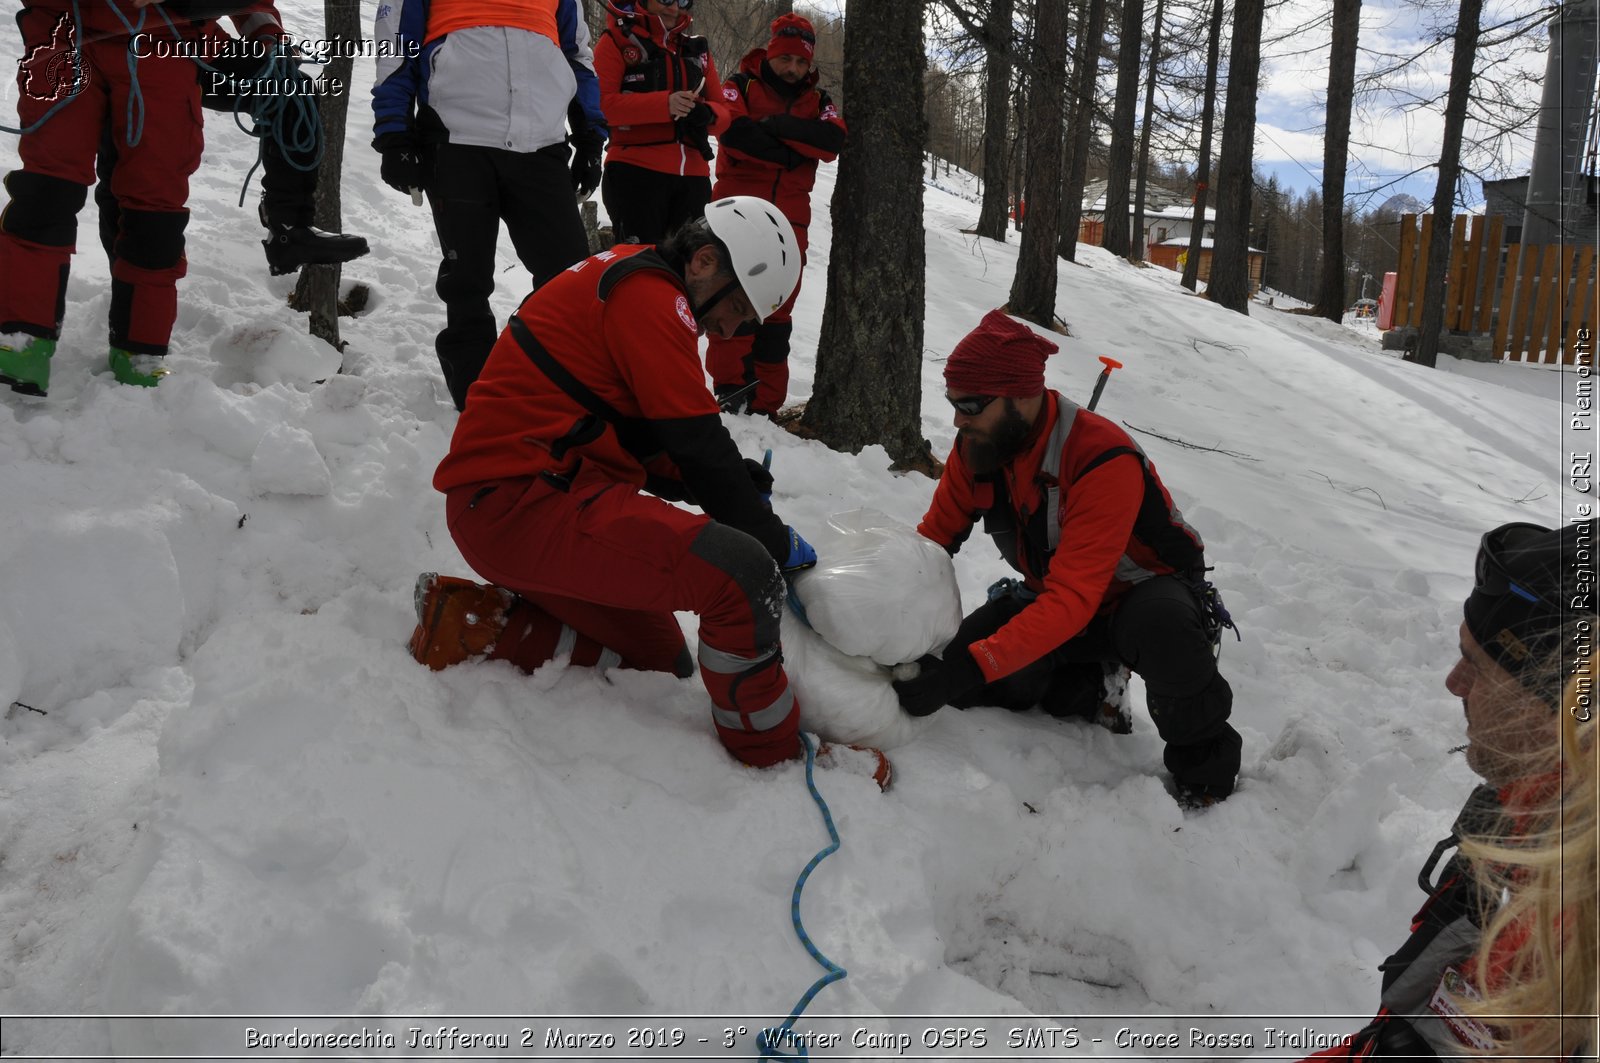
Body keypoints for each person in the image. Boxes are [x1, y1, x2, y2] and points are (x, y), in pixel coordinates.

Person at [407, 196, 823, 771]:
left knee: (659, 660)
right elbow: (695, 441)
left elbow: (652, 445)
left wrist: (737, 485)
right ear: (704, 261)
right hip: (524, 502)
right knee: (744, 575)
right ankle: (773, 755)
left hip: (521, 501)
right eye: (739, 310)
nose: (730, 331)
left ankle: (477, 627)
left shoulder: (633, 281)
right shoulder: (652, 296)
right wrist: (770, 542)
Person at [891, 309, 1242, 806]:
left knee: (1159, 628)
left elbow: (1075, 598)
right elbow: (932, 544)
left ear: (1020, 396)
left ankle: (1205, 773)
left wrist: (972, 664)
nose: (957, 420)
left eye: (969, 405)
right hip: (1057, 599)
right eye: (952, 403)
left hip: (1139, 599)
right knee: (961, 679)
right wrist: (891, 605)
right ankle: (1088, 684)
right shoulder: (979, 445)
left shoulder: (1102, 457)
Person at [1306, 518, 1595, 1060]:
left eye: (1478, 666)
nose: (1453, 683)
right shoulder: (1518, 820)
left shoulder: (1572, 931)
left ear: (1562, 709)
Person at [371, 0, 602, 411]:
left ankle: (546, 382)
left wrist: (589, 136)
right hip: (457, 139)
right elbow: (394, 49)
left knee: (567, 278)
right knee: (467, 282)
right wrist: (394, 134)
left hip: (542, 142)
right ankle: (477, 402)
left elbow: (578, 56)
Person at [1, 0, 221, 396]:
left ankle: (139, 353)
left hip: (165, 42)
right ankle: (22, 338)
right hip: (67, 30)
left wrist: (265, 35)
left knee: (157, 209)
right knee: (46, 187)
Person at [95, 16, 370, 278]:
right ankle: (130, 279)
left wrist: (270, 38)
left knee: (291, 90)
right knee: (126, 165)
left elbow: (253, 5)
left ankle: (289, 230)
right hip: (115, 48)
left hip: (198, 45)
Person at [705, 13, 844, 417]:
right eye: (787, 60)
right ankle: (731, 392)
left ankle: (766, 404)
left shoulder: (819, 100)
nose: (793, 69)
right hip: (735, 215)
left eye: (802, 62)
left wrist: (775, 125)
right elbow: (733, 133)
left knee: (777, 310)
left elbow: (832, 139)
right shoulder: (741, 84)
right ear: (771, 53)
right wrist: (794, 153)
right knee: (729, 299)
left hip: (789, 221)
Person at [593, 0, 725, 246]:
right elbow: (601, 106)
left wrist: (705, 113)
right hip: (635, 172)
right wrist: (665, 105)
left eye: (682, 0)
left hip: (693, 179)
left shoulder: (697, 50)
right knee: (639, 266)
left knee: (689, 274)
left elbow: (725, 116)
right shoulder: (617, 41)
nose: (674, 8)